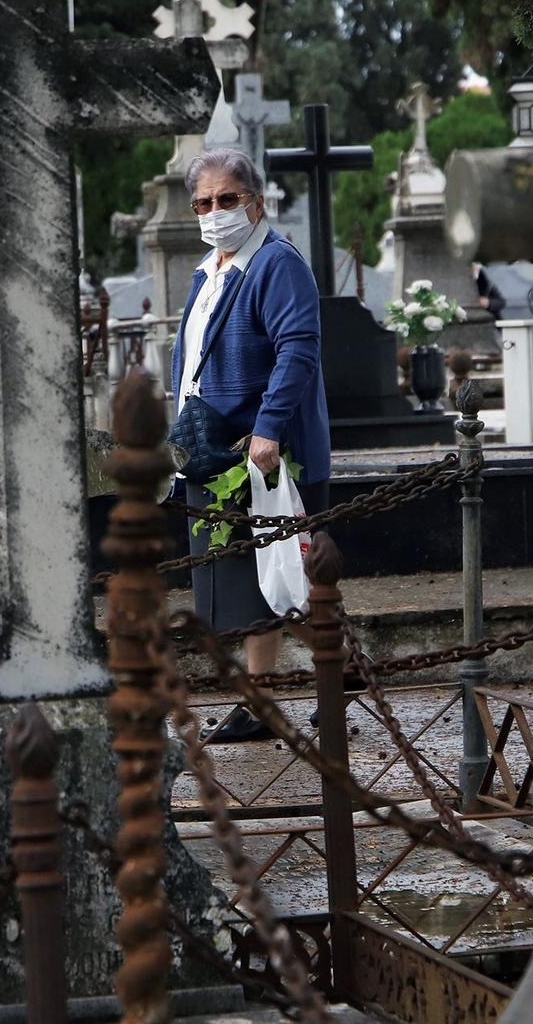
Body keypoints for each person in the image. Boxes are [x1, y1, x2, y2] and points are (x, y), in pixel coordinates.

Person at [171, 148, 331, 743]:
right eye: (203, 203)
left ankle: (343, 668)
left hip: (265, 451)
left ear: (256, 202)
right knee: (251, 583)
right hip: (217, 448)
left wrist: (267, 428)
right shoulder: (208, 268)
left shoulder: (276, 264)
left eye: (227, 199)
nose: (215, 212)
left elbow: (297, 349)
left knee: (284, 576)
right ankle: (261, 703)